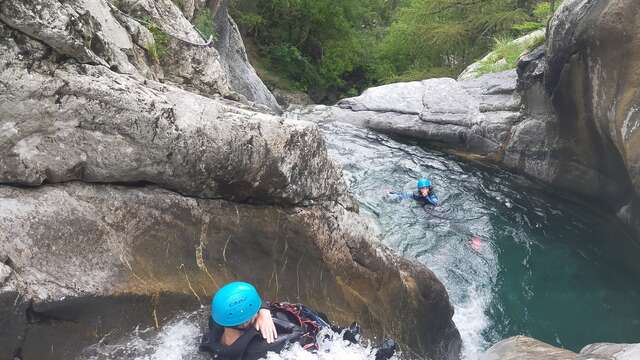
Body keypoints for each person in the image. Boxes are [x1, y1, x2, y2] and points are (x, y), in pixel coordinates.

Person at [199, 282, 396, 360]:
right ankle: (371, 356)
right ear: (244, 322)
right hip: (311, 347)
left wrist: (264, 311)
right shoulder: (261, 348)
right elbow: (302, 337)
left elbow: (256, 304)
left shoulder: (218, 324)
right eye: (253, 312)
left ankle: (343, 333)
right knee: (310, 322)